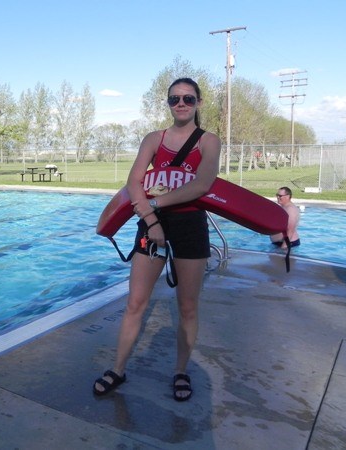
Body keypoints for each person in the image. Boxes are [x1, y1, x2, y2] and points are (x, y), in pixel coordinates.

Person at [92, 78, 221, 402]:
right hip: (152, 225)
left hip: (190, 224)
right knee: (135, 303)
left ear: (198, 103)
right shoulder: (154, 139)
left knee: (188, 307)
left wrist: (155, 204)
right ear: (167, 102)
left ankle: (180, 371)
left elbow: (202, 185)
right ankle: (118, 369)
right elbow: (134, 182)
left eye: (188, 99)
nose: (181, 103)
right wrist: (151, 220)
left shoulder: (208, 141)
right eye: (174, 98)